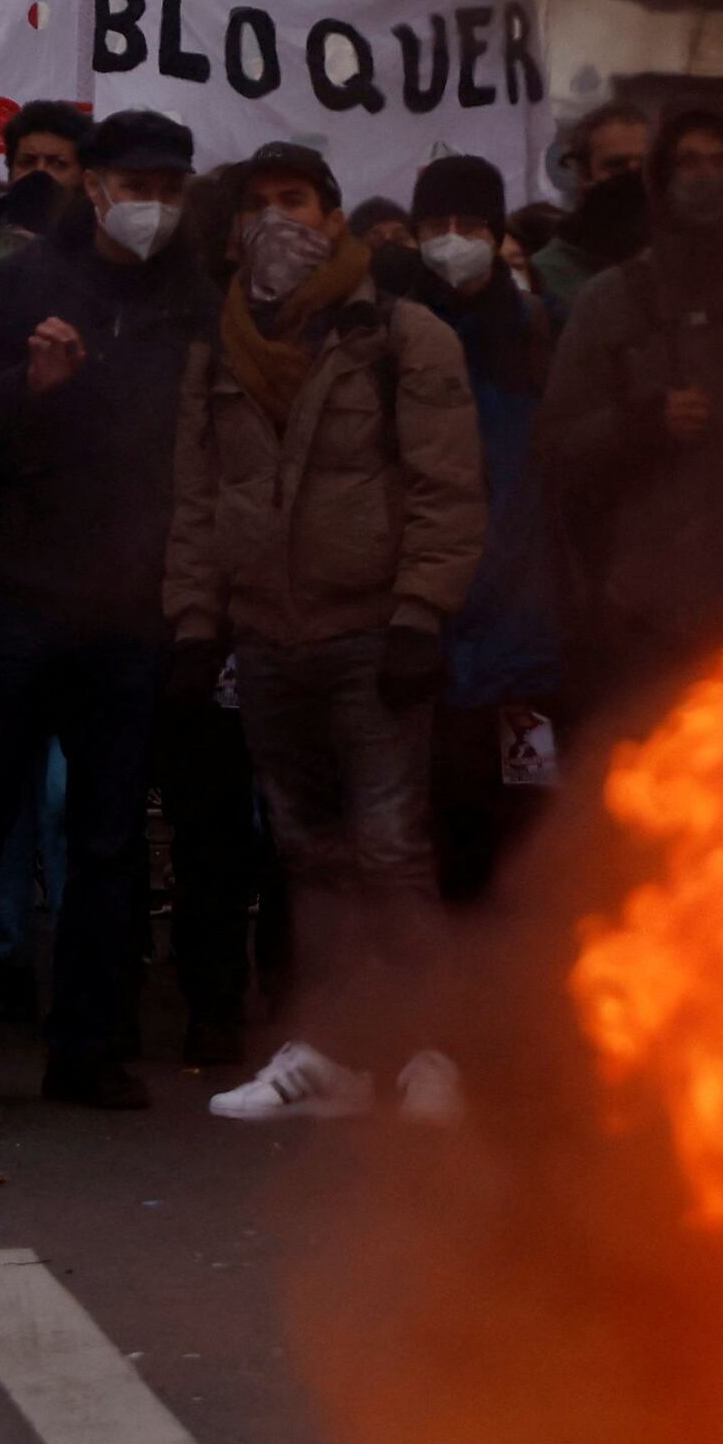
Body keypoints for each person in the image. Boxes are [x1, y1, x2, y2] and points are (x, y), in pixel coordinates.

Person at [168, 140, 483, 1123]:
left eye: (295, 201)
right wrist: (193, 622)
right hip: (267, 641)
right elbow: (197, 496)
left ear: (333, 217)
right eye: (259, 204)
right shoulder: (215, 349)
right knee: (308, 858)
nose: (277, 221)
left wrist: (420, 613)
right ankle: (338, 1053)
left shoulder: (402, 335)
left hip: (369, 636)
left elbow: (446, 486)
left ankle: (427, 1053)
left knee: (391, 854)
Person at [0, 106, 208, 1108]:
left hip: (130, 609)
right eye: (134, 187)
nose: (152, 207)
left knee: (107, 837)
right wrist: (28, 386)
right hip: (18, 595)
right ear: (93, 187)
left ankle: (88, 1047)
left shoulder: (192, 294)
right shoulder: (23, 285)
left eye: (169, 189)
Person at [535, 101, 723, 719]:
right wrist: (640, 424)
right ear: (660, 181)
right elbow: (558, 447)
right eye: (688, 162)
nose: (704, 176)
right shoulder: (609, 303)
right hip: (648, 610)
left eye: (721, 161)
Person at [388, 153, 565, 905]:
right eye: (435, 225)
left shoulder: (537, 331)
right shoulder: (386, 331)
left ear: (496, 233)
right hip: (425, 628)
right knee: (433, 835)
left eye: (469, 225)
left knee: (529, 828)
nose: (451, 239)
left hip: (525, 636)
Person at [531, 101, 654, 311]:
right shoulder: (545, 276)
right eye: (616, 165)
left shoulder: (683, 262)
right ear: (583, 174)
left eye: (646, 165)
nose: (633, 176)